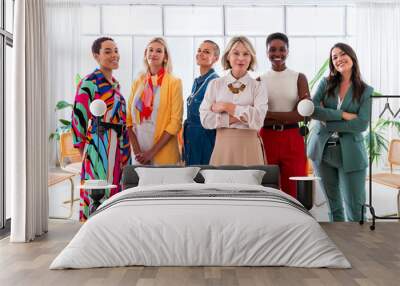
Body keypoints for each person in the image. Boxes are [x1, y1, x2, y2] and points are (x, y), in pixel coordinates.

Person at [308, 42, 373, 222]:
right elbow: (312, 110)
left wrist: (326, 122)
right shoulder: (326, 83)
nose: (338, 59)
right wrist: (342, 114)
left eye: (342, 54)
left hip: (351, 154)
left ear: (352, 56)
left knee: (356, 208)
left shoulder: (365, 90)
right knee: (333, 207)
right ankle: (338, 247)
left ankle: (359, 248)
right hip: (321, 151)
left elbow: (361, 124)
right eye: (334, 57)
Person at [71, 37, 131, 222]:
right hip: (97, 146)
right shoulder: (89, 82)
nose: (114, 55)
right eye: (108, 51)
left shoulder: (116, 86)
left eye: (116, 50)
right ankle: (91, 234)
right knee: (96, 191)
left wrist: (125, 151)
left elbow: (122, 121)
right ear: (96, 55)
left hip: (118, 147)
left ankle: (111, 232)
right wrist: (84, 151)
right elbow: (78, 117)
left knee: (115, 190)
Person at [199, 36, 267, 166]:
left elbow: (258, 120)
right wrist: (246, 114)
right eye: (236, 53)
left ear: (251, 58)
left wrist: (226, 106)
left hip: (250, 148)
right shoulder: (215, 84)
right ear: (228, 57)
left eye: (246, 54)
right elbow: (205, 119)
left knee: (250, 185)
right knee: (221, 185)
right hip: (222, 147)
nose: (241, 58)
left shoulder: (258, 86)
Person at [259, 32, 310, 199]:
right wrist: (291, 114)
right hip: (266, 138)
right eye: (272, 50)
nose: (277, 54)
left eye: (282, 49)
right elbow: (258, 115)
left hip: (292, 138)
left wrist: (270, 114)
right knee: (267, 186)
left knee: (295, 187)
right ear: (266, 52)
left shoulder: (299, 78)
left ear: (288, 51)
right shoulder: (260, 80)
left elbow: (304, 115)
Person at [126, 37, 183, 165]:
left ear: (165, 56)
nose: (154, 54)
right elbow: (128, 119)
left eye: (159, 51)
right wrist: (136, 150)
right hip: (139, 151)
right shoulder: (138, 81)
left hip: (162, 152)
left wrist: (151, 153)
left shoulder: (174, 83)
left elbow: (175, 123)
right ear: (146, 54)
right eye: (150, 50)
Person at [183, 40, 220, 165]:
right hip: (192, 141)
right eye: (199, 50)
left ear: (215, 58)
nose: (201, 54)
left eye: (206, 52)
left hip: (206, 141)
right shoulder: (197, 82)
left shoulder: (216, 82)